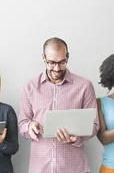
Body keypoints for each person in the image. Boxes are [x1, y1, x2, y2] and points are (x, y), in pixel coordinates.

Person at [18, 37, 99, 173]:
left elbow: (95, 125)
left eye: (62, 62)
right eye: (51, 63)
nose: (57, 68)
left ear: (68, 56)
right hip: (40, 168)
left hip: (74, 168)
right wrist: (30, 126)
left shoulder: (84, 86)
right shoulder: (30, 87)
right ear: (43, 58)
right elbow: (22, 124)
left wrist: (77, 138)